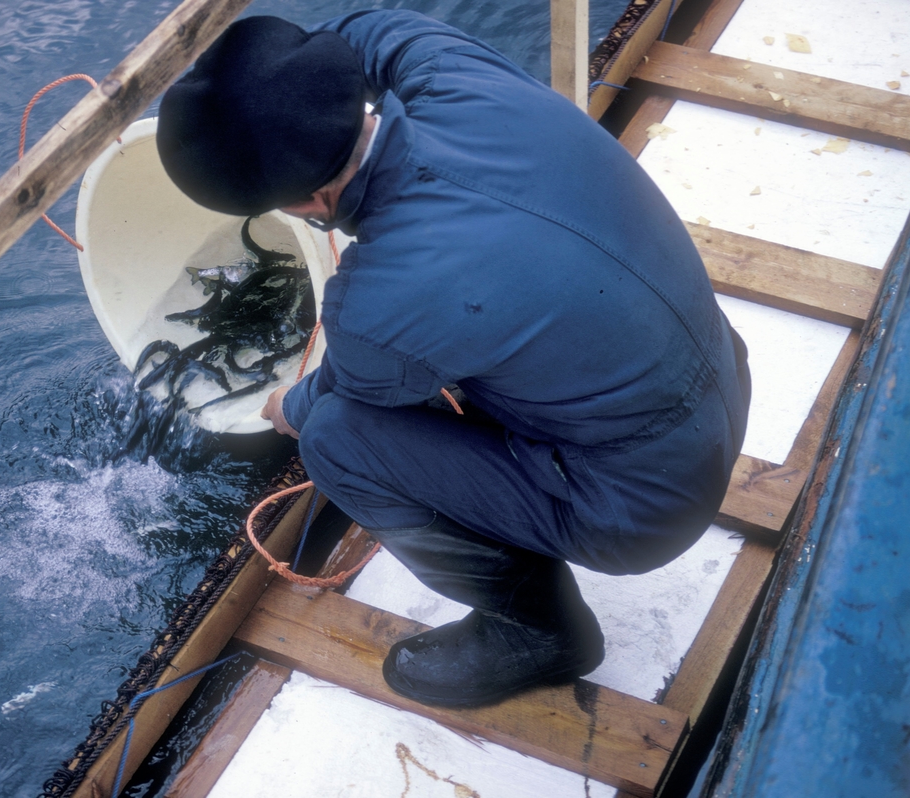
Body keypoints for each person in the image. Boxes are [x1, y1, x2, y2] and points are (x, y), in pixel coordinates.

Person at [156, 11, 751, 708]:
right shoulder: (451, 73)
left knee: (334, 439)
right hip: (727, 379)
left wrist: (283, 405)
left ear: (311, 203)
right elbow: (368, 27)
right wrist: (282, 70)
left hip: (642, 509)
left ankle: (540, 634)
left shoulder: (376, 303)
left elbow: (340, 393)